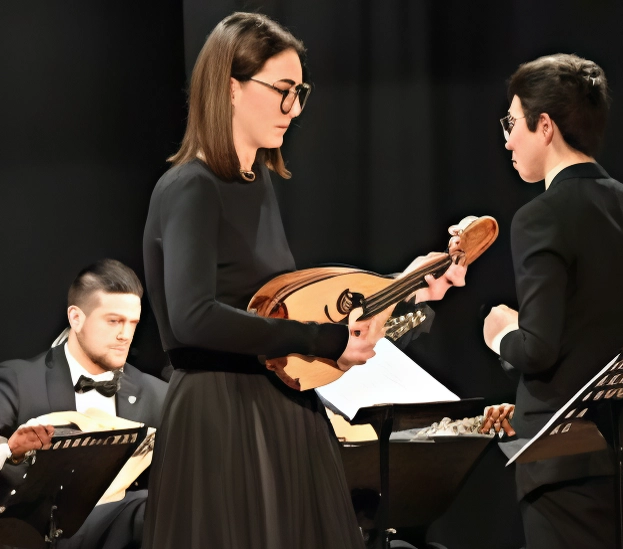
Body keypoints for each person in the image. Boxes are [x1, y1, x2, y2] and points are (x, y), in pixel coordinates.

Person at [141, 12, 464, 549]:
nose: (293, 108)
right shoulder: (189, 187)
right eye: (281, 90)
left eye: (300, 92)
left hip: (283, 407)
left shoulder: (258, 184)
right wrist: (321, 341)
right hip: (221, 415)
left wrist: (407, 284)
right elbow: (192, 316)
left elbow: (283, 304)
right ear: (231, 88)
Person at [481, 53, 623, 549]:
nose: (506, 138)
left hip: (563, 464)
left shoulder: (540, 217)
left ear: (544, 125)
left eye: (511, 122)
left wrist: (501, 331)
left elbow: (537, 350)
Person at [0, 258, 168, 549]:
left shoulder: (159, 395)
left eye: (133, 323)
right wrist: (11, 452)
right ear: (76, 318)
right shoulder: (18, 380)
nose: (125, 335)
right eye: (114, 321)